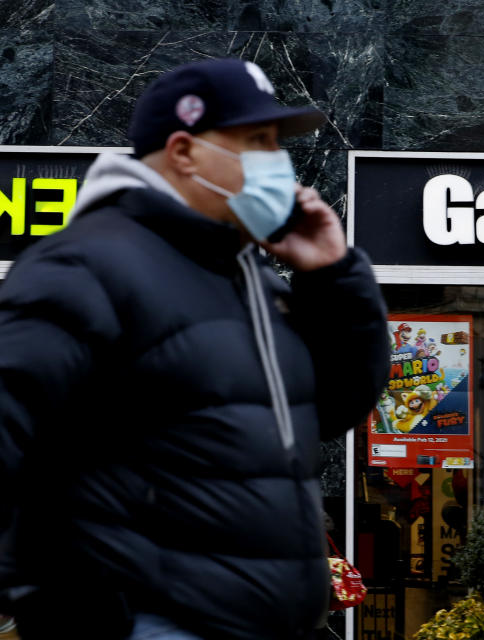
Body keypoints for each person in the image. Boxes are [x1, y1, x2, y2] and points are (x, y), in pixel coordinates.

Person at [0, 58, 390, 639]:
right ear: (183, 152)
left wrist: (334, 278)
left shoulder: (248, 277)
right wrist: (51, 599)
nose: (277, 162)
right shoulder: (85, 265)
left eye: (276, 143)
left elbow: (329, 409)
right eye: (256, 141)